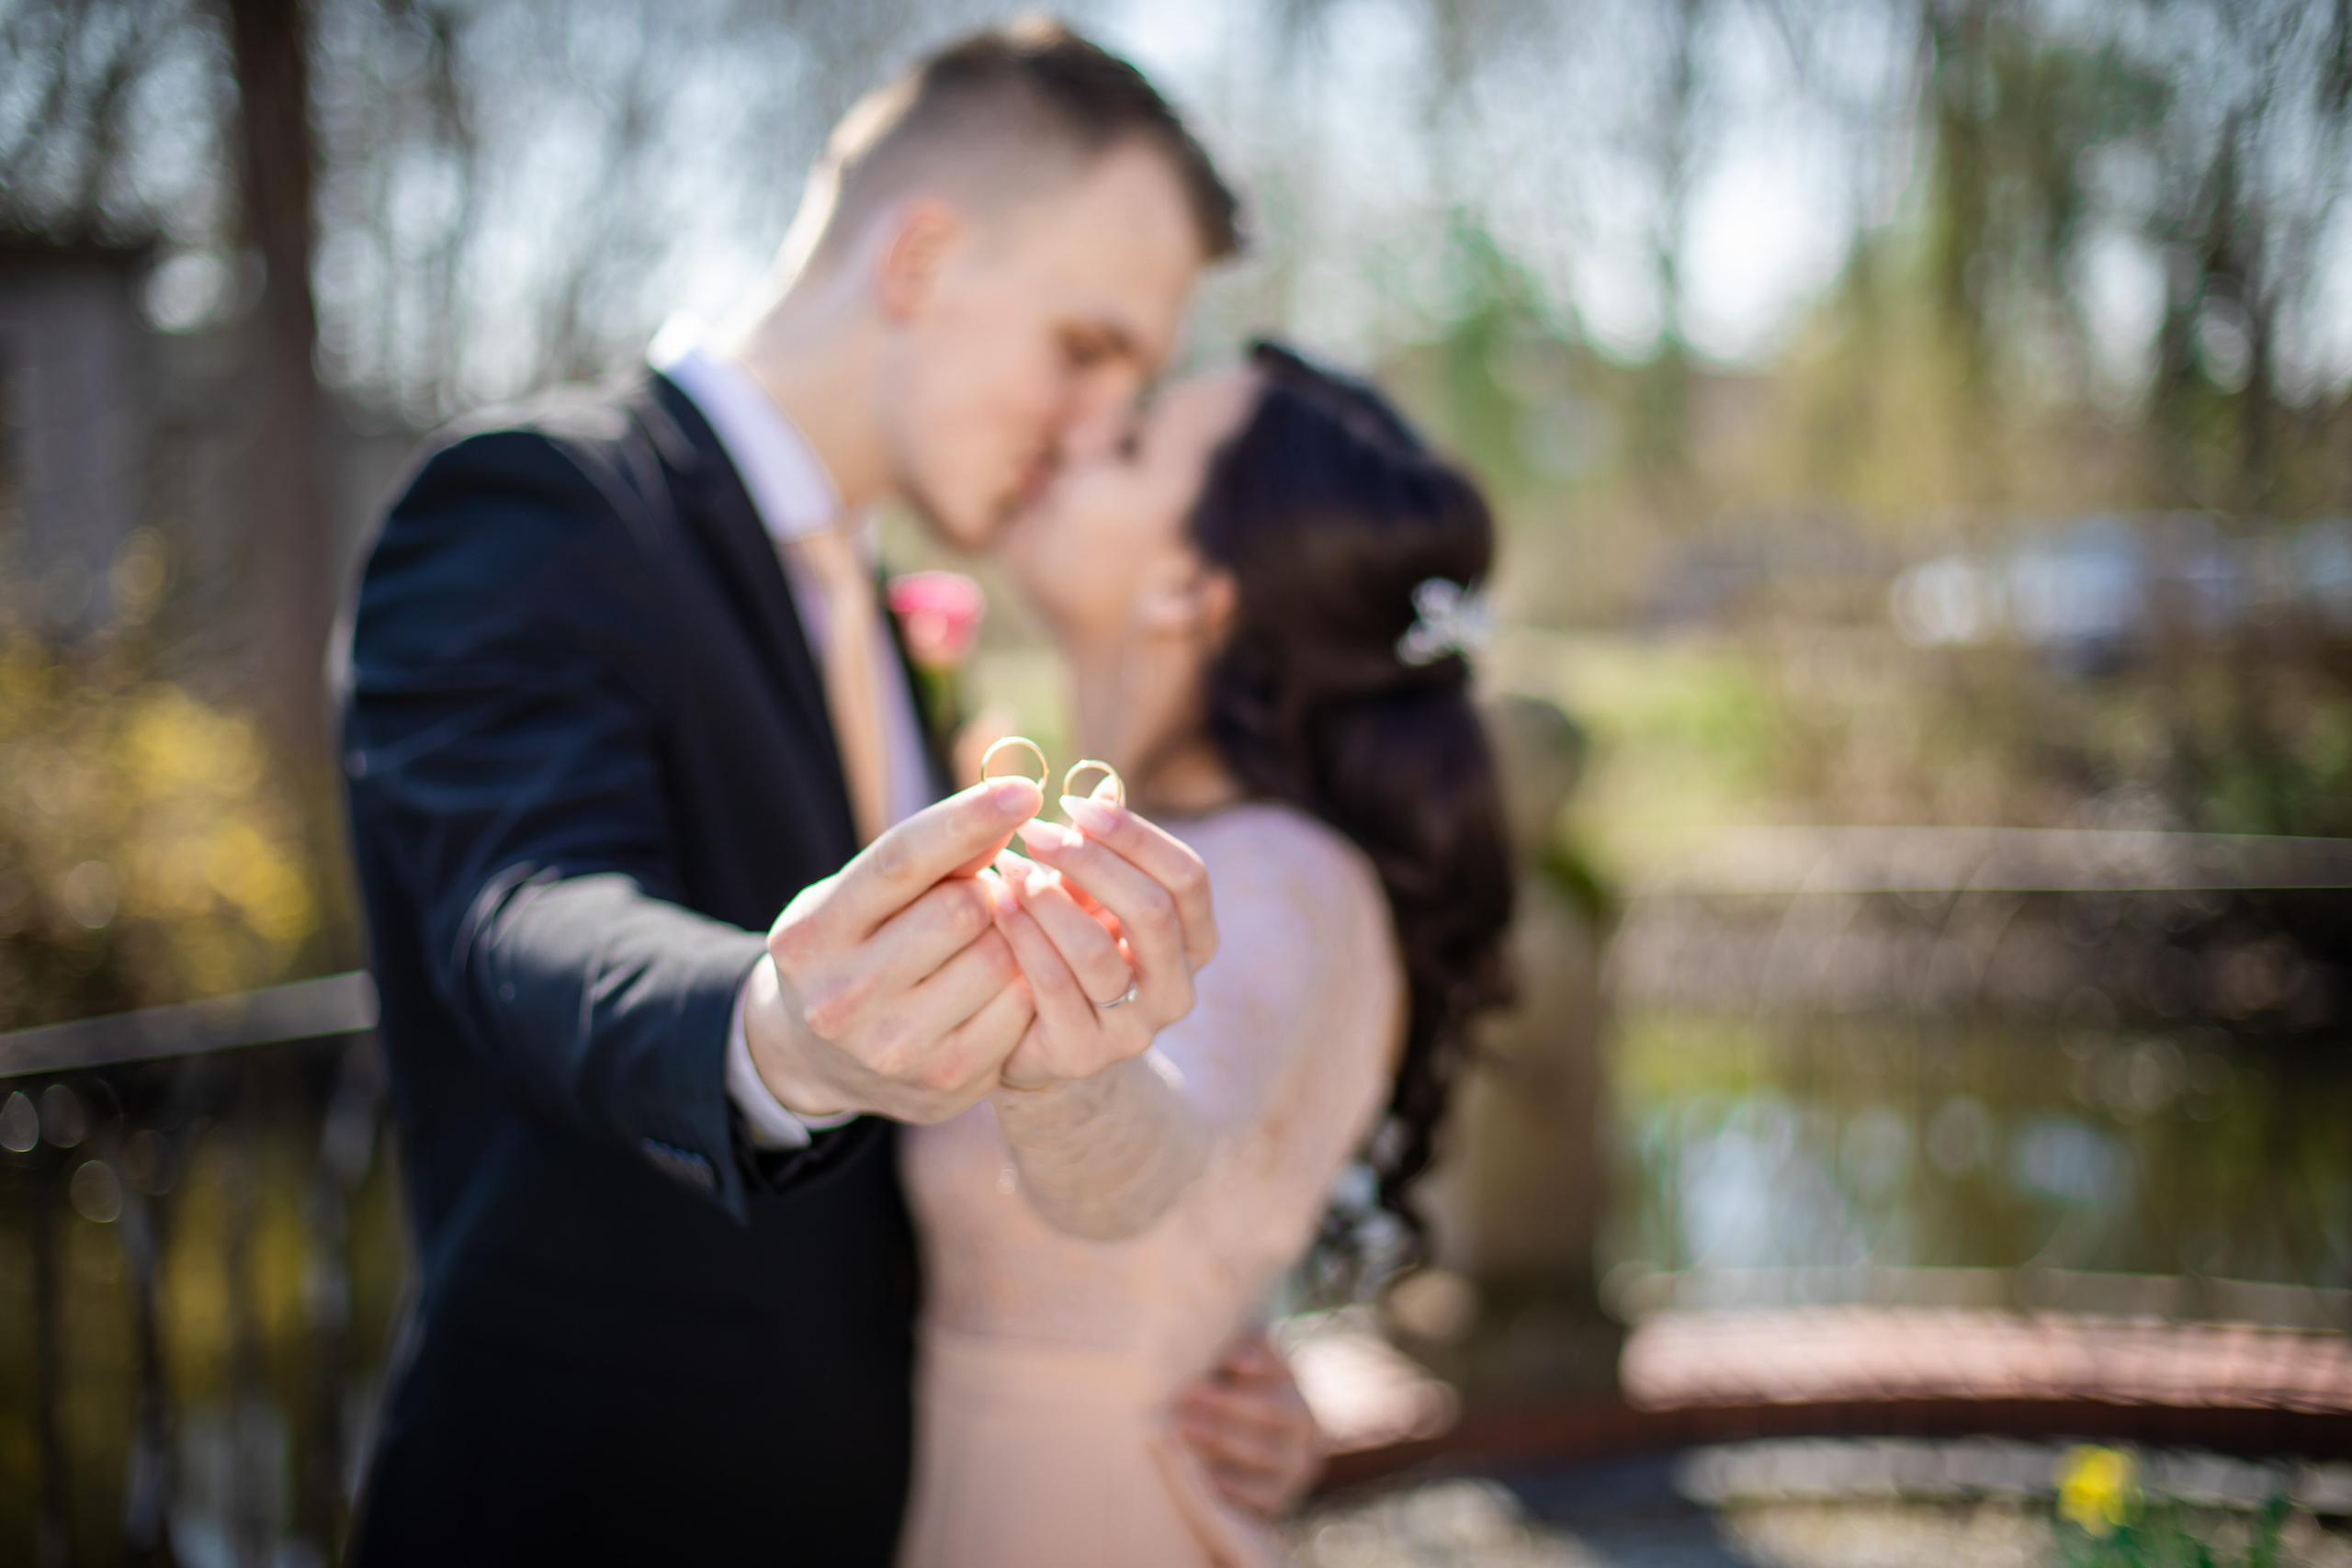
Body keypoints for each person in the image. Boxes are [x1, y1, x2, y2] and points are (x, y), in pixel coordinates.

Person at [337, 25, 1317, 1564]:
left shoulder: (880, 609)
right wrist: (773, 1030)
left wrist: (1179, 1358)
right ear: (919, 257)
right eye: (1085, 348)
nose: (1094, 430)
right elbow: (524, 912)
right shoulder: (535, 504)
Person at [895, 341, 1517, 1567]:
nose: (1069, 434)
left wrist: (1067, 1063)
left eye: (1127, 445)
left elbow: (1154, 1151)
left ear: (1190, 586)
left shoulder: (1279, 881)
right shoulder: (1159, 842)